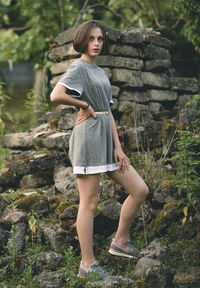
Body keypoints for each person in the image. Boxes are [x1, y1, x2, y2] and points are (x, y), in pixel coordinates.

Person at [50, 20, 149, 279]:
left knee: (139, 189)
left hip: (107, 139)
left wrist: (119, 147)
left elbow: (108, 110)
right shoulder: (79, 68)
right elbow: (56, 95)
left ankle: (120, 241)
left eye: (100, 39)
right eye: (92, 39)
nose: (96, 44)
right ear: (83, 40)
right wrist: (82, 104)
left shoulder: (100, 72)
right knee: (89, 203)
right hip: (88, 139)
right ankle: (87, 264)